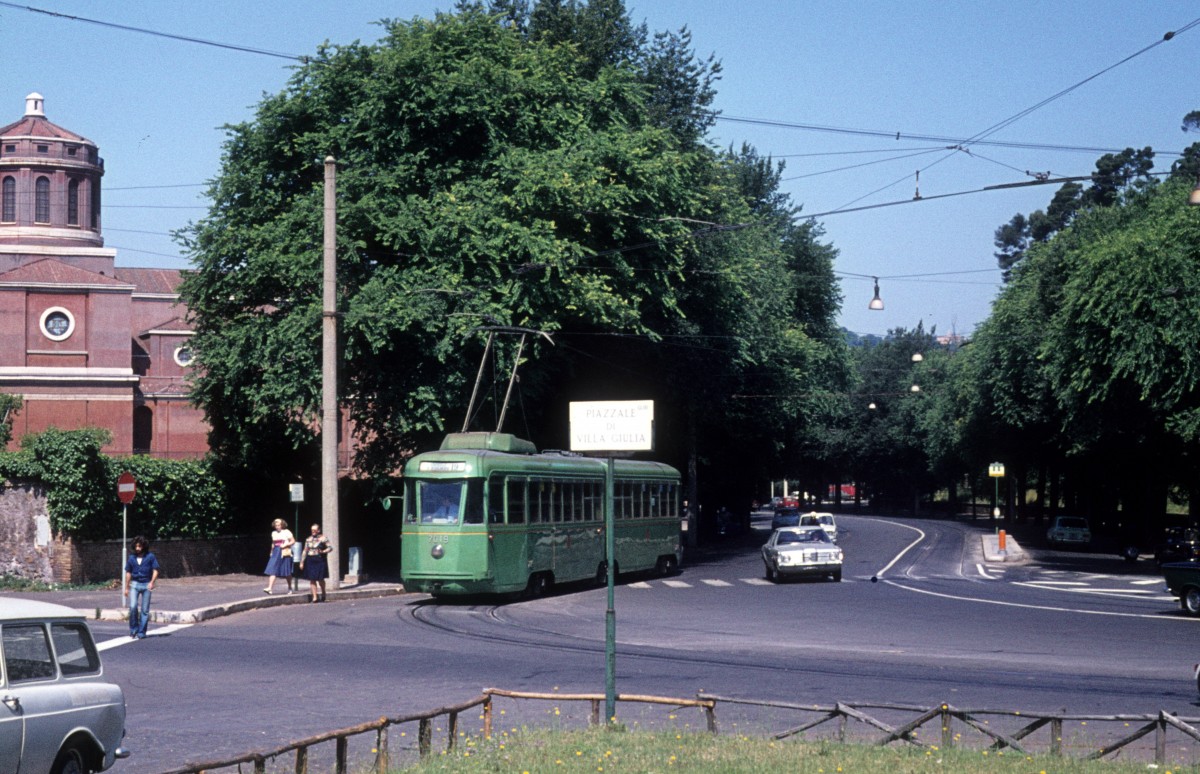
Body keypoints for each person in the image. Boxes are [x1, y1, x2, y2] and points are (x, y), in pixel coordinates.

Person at [124, 535, 160, 639]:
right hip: (134, 584)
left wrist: (152, 582)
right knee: (133, 607)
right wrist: (126, 588)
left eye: (139, 546)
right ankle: (133, 629)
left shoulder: (150, 557)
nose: (137, 548)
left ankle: (141, 632)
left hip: (146, 584)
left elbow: (156, 570)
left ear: (144, 546)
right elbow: (128, 572)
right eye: (136, 546)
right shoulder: (131, 558)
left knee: (145, 610)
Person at [298, 523, 332, 603]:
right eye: (312, 530)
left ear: (318, 530)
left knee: (320, 579)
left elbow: (330, 548)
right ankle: (315, 596)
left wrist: (323, 551)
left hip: (320, 560)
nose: (313, 531)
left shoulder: (323, 538)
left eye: (315, 530)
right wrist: (302, 562)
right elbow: (305, 550)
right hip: (310, 560)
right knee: (312, 579)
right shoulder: (308, 539)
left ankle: (323, 592)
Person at [263, 518, 295, 594]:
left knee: (287, 571)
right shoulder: (273, 533)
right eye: (276, 525)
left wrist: (286, 544)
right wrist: (271, 551)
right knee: (273, 569)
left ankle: (290, 587)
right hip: (276, 551)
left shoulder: (286, 532)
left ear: (282, 525)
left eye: (279, 525)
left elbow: (293, 541)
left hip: (285, 552)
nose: (277, 527)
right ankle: (270, 588)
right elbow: (273, 543)